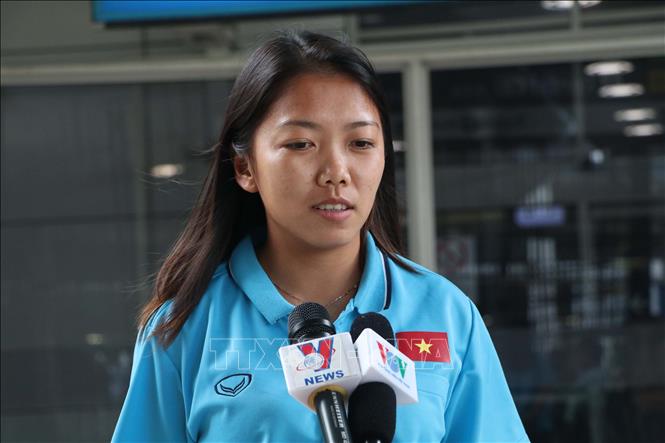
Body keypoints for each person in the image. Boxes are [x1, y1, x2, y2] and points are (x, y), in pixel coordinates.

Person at [112, 30, 530, 443]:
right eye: (301, 144)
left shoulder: (446, 313)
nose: (336, 172)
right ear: (245, 168)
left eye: (360, 142)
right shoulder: (184, 327)